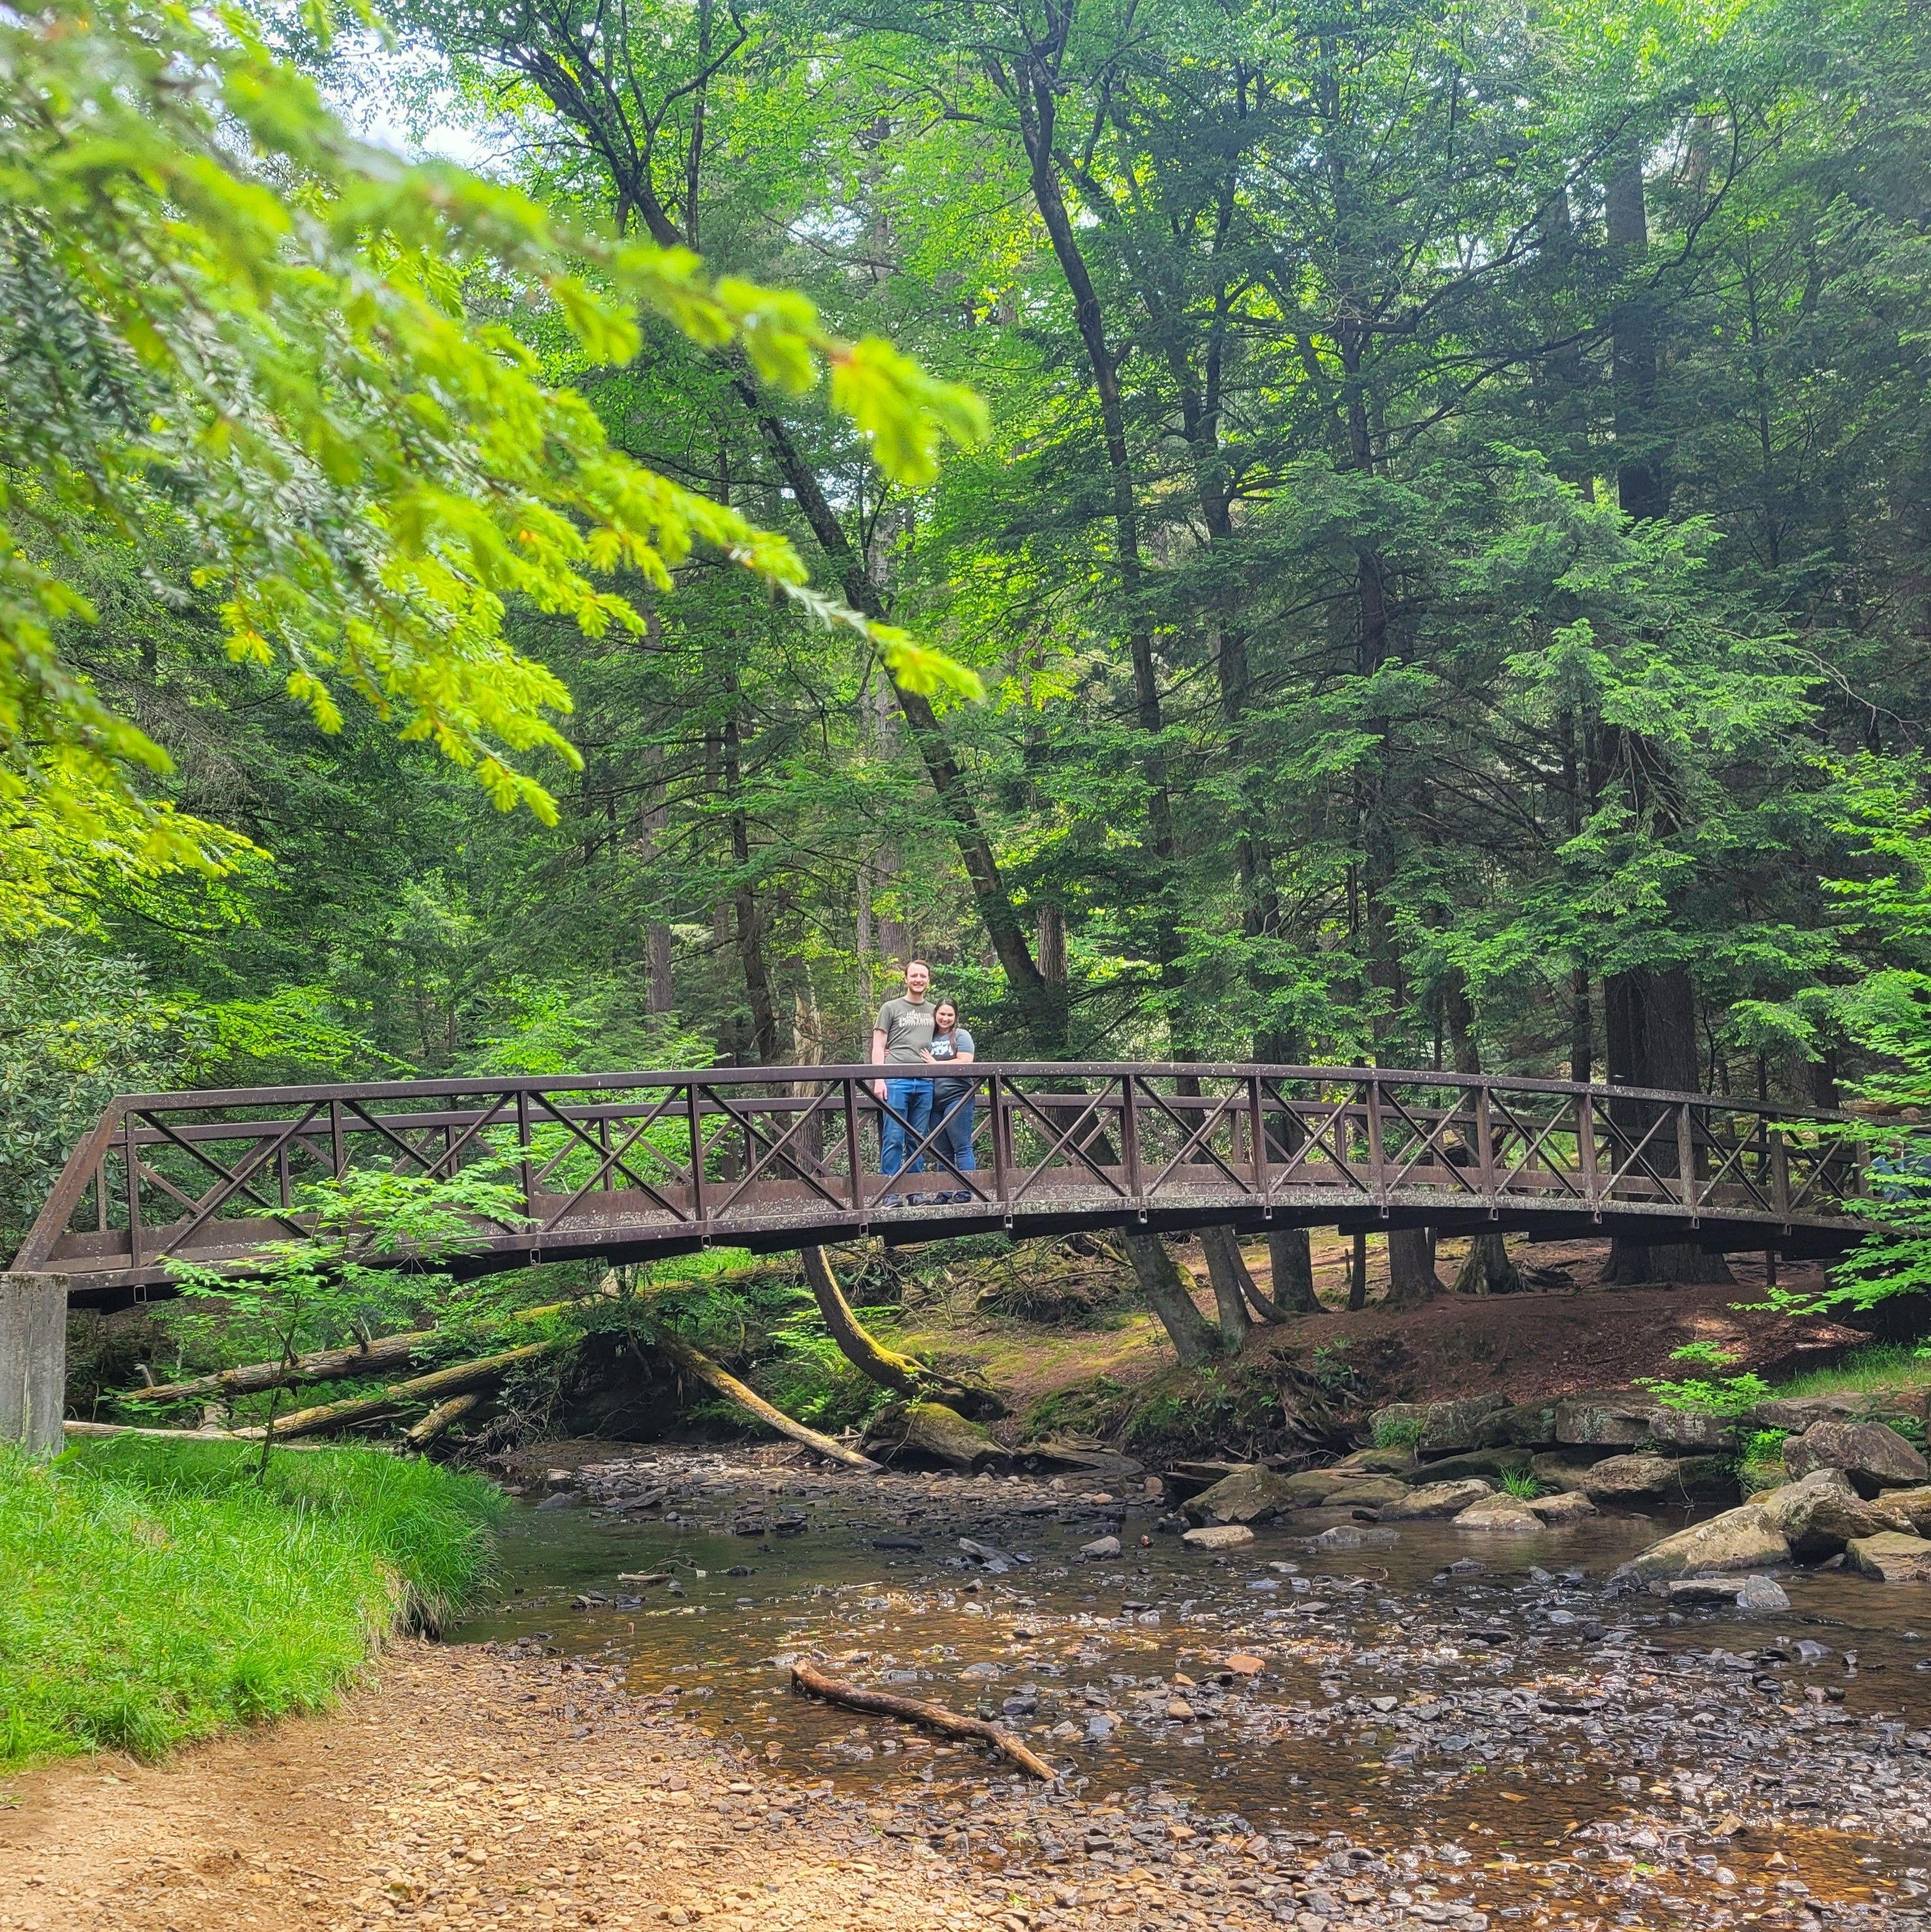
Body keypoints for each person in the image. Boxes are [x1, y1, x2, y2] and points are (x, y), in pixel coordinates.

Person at [870, 960, 935, 1205]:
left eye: (923, 976)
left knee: (918, 1138)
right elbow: (878, 1046)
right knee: (894, 1136)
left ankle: (915, 1192)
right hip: (896, 1080)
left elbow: (947, 1038)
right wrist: (879, 1078)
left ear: (928, 980)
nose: (919, 980)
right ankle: (888, 1193)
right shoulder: (891, 1007)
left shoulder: (933, 1010)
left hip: (926, 1082)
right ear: (906, 979)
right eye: (914, 975)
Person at [922, 998, 977, 1202]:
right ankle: (944, 1194)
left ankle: (965, 1192)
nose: (945, 1018)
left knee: (961, 1145)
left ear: (955, 1017)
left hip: (957, 1097)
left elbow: (965, 1061)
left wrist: (936, 1064)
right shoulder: (928, 1037)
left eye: (950, 1015)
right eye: (942, 1014)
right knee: (942, 1150)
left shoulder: (961, 1036)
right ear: (935, 1014)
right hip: (932, 1100)